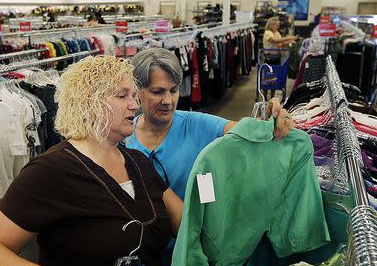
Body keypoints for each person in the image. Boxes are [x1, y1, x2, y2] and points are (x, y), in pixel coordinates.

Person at [0, 56, 184, 266]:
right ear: (88, 103)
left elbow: (186, 223)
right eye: (121, 95)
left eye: (133, 96)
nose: (134, 105)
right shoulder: (50, 171)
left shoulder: (138, 163)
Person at [126, 48, 293, 200]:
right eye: (158, 92)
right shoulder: (124, 136)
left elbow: (247, 131)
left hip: (190, 232)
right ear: (136, 90)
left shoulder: (196, 124)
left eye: (174, 90)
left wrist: (271, 121)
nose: (168, 101)